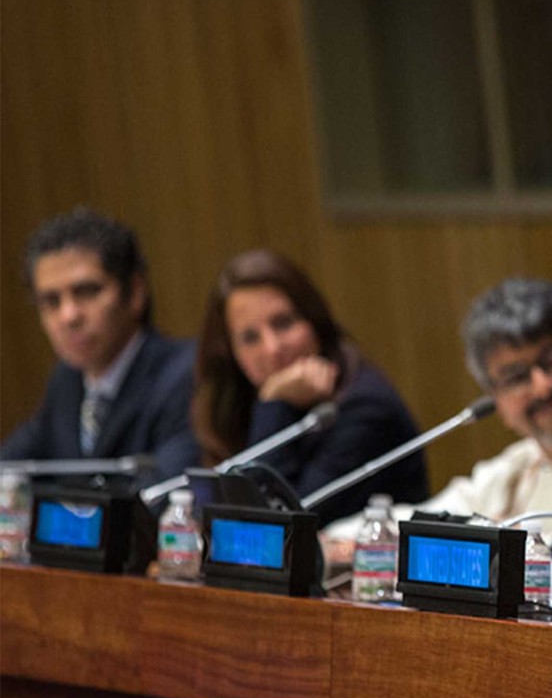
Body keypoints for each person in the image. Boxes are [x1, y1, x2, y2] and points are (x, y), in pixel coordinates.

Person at [326, 279, 552, 548]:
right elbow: (414, 521)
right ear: (499, 404)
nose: (543, 387)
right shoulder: (517, 469)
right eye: (516, 377)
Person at [191, 249, 427, 525]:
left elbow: (279, 524)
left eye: (283, 323)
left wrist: (274, 404)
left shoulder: (366, 409)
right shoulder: (234, 405)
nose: (273, 348)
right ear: (230, 353)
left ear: (314, 321)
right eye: (250, 338)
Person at [2, 208, 196, 487]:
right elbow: (11, 464)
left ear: (136, 291)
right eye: (51, 301)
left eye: (86, 291)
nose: (69, 316)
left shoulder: (185, 376)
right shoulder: (66, 380)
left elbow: (164, 499)